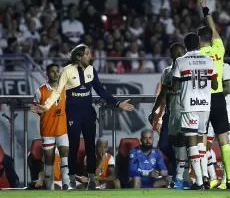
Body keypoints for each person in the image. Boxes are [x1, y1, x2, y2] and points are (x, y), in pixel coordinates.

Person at [30, 44, 135, 190]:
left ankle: (92, 179)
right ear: (79, 57)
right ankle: (71, 179)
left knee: (90, 146)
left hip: (88, 113)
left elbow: (101, 90)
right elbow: (56, 92)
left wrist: (117, 104)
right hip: (72, 113)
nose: (90, 56)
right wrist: (46, 106)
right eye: (87, 54)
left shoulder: (91, 70)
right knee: (73, 146)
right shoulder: (67, 71)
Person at [197, 0, 230, 189]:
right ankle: (229, 179)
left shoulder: (195, 55)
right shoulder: (218, 49)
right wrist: (206, 11)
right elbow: (214, 32)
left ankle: (203, 179)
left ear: (198, 40)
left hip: (202, 100)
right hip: (218, 98)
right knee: (223, 140)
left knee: (202, 141)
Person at [172, 32, 218, 190]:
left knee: (191, 143)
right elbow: (215, 86)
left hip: (189, 105)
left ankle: (199, 182)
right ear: (199, 44)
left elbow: (176, 87)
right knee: (200, 142)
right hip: (205, 105)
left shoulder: (180, 61)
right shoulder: (209, 60)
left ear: (185, 46)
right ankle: (204, 176)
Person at [148, 42, 186, 189]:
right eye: (174, 54)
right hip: (170, 114)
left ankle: (181, 177)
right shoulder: (168, 71)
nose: (176, 57)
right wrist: (154, 110)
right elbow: (163, 93)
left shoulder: (189, 70)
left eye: (178, 53)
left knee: (183, 145)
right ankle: (179, 164)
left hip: (185, 113)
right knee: (163, 145)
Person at [33, 63, 69, 190]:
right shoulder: (40, 91)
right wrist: (47, 115)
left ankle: (66, 183)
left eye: (57, 71)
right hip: (47, 131)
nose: (55, 73)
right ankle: (50, 188)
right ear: (47, 74)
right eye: (52, 71)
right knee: (49, 159)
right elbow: (37, 109)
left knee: (65, 153)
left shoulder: (64, 88)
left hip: (62, 129)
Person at [206, 63, 230, 189]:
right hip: (210, 109)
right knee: (205, 144)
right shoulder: (206, 67)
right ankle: (213, 177)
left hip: (226, 109)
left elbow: (228, 88)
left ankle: (226, 179)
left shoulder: (225, 67)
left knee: (225, 144)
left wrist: (209, 96)